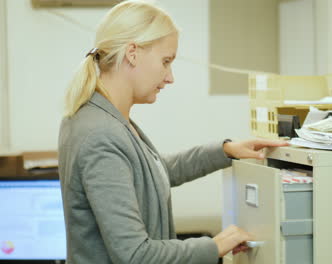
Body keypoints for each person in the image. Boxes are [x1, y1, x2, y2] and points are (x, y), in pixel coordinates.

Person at [58, 1, 288, 264]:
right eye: (166, 61)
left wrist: (224, 150)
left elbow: (152, 173)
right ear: (132, 53)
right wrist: (215, 245)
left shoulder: (105, 119)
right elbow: (136, 256)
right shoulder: (100, 134)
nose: (170, 77)